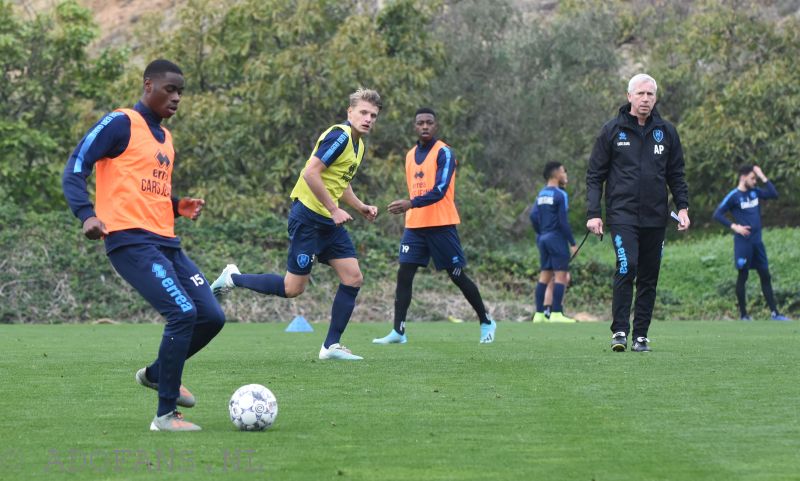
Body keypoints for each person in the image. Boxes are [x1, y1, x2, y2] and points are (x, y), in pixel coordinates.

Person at [62, 59, 225, 431]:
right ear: (148, 85)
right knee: (182, 313)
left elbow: (141, 191)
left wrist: (175, 206)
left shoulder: (166, 139)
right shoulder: (121, 122)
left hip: (167, 242)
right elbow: (76, 165)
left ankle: (156, 374)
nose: (177, 97)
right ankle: (165, 415)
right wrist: (86, 214)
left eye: (181, 91)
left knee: (211, 317)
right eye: (170, 89)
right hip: (130, 242)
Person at [210, 88, 381, 360]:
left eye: (373, 114)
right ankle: (232, 278)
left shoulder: (358, 145)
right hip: (308, 219)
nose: (368, 118)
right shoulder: (340, 136)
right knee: (293, 289)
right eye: (363, 112)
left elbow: (339, 182)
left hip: (327, 222)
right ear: (350, 112)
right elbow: (310, 173)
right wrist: (334, 209)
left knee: (353, 276)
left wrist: (359, 207)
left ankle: (330, 347)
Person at [373, 107, 497, 345]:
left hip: (441, 225)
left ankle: (486, 321)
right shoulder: (410, 155)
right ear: (415, 126)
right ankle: (398, 331)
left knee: (457, 275)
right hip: (415, 227)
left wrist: (410, 203)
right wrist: (411, 207)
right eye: (420, 123)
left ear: (436, 125)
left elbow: (439, 190)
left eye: (429, 122)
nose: (425, 126)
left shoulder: (445, 153)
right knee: (404, 274)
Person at [585, 73, 690, 352]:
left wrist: (683, 207)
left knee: (648, 276)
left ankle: (640, 336)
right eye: (640, 94)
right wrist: (594, 213)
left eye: (650, 95)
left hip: (656, 218)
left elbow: (676, 174)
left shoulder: (666, 132)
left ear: (655, 98)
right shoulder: (611, 131)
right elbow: (595, 175)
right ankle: (619, 331)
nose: (645, 99)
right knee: (626, 266)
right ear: (629, 96)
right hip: (622, 216)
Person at [713, 165, 790, 321]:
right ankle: (744, 315)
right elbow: (717, 214)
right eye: (752, 178)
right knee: (743, 275)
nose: (755, 181)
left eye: (756, 178)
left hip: (757, 243)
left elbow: (774, 194)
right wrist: (735, 227)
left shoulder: (755, 192)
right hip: (743, 243)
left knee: (765, 275)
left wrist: (762, 175)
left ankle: (775, 313)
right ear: (743, 177)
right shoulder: (734, 196)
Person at [530, 162, 577, 323]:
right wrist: (572, 243)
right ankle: (556, 313)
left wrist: (541, 232)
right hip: (556, 238)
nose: (565, 175)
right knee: (561, 276)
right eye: (564, 171)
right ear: (556, 174)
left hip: (543, 238)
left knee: (545, 276)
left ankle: (539, 314)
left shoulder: (541, 194)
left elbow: (533, 216)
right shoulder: (560, 194)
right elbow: (563, 222)